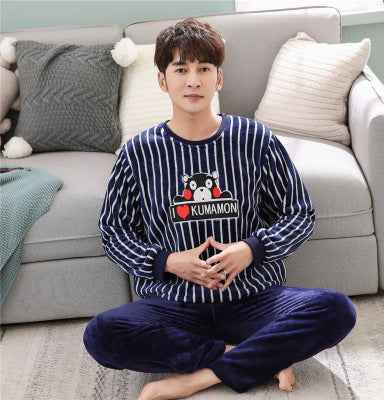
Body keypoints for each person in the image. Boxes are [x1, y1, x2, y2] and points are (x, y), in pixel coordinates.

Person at [83, 17, 357, 400]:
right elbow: (114, 233)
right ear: (162, 80)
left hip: (254, 301)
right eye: (181, 69)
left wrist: (250, 250)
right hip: (175, 305)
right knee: (102, 335)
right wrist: (169, 262)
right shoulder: (138, 152)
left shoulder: (254, 138)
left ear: (219, 79)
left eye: (204, 69)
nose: (193, 81)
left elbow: (299, 214)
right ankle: (250, 357)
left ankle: (197, 377)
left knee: (337, 310)